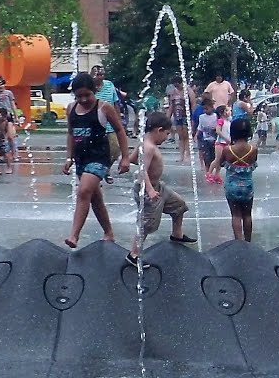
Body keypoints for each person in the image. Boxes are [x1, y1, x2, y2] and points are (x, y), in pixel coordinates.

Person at [62, 72, 130, 249]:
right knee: (95, 198)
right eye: (79, 96)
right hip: (81, 159)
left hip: (99, 157)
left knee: (84, 191)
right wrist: (69, 158)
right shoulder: (71, 108)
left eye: (87, 95)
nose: (84, 99)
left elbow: (120, 131)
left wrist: (125, 157)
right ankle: (109, 232)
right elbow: (70, 133)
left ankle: (74, 235)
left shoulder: (104, 107)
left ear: (94, 92)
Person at [127, 112, 196, 267]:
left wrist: (126, 162)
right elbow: (142, 170)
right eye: (166, 134)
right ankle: (133, 254)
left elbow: (132, 159)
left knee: (179, 205)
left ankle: (177, 235)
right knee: (147, 224)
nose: (166, 138)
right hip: (147, 190)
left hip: (159, 187)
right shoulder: (149, 147)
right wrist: (150, 190)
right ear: (159, 130)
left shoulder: (144, 143)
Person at [219, 117, 258, 242]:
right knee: (247, 215)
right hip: (247, 186)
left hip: (232, 186)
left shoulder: (227, 150)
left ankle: (238, 243)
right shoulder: (253, 149)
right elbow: (253, 163)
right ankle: (248, 241)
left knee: (235, 215)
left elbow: (220, 163)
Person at [165, 76, 192, 164]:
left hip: (186, 115)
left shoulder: (188, 91)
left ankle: (187, 155)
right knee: (180, 136)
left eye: (177, 85)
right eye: (175, 85)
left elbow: (193, 104)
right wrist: (167, 118)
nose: (176, 87)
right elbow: (171, 106)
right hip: (177, 116)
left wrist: (193, 118)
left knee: (186, 136)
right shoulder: (173, 92)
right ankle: (181, 155)